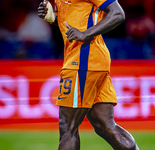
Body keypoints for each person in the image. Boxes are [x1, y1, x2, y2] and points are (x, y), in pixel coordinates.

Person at [38, 0, 139, 149]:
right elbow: (77, 20)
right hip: (92, 61)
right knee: (105, 126)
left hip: (82, 61)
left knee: (68, 128)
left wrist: (85, 33)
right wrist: (54, 18)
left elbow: (118, 13)